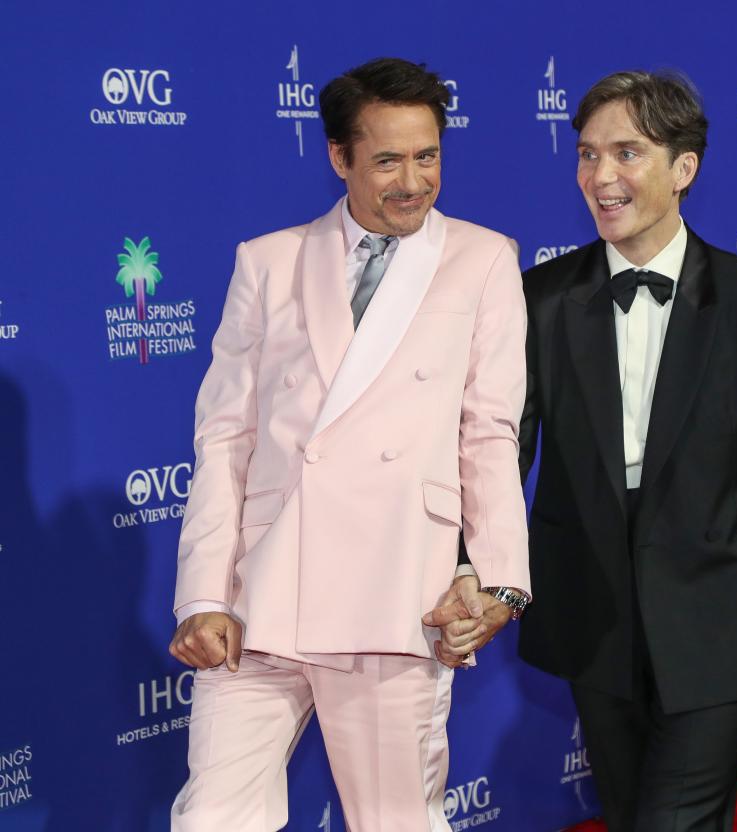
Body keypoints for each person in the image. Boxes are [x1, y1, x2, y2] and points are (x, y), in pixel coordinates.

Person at [435, 70, 737, 831]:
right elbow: (500, 449)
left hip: (715, 618)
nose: (600, 177)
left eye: (627, 153)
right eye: (587, 155)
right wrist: (466, 563)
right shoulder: (542, 297)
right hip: (594, 618)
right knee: (629, 814)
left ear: (685, 169)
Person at [167, 57, 530, 832]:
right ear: (339, 157)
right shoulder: (267, 261)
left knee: (395, 822)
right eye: (388, 160)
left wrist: (500, 581)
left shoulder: (484, 258)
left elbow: (489, 433)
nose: (414, 182)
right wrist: (203, 594)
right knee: (211, 820)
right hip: (262, 594)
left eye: (428, 156)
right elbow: (225, 437)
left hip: (398, 592)